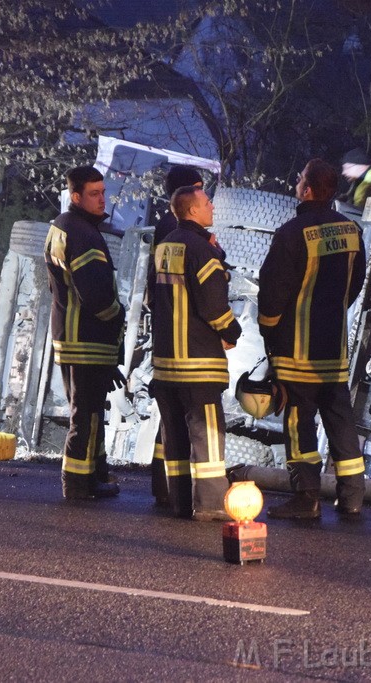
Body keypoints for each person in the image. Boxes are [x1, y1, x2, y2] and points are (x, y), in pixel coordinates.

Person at [258, 158, 367, 519]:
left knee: (298, 423)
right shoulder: (352, 231)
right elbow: (354, 287)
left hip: (296, 351)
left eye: (300, 178)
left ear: (307, 189)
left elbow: (273, 293)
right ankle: (352, 498)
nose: (296, 183)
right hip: (333, 351)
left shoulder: (291, 233)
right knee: (341, 421)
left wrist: (269, 332)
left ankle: (306, 498)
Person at [150, 186, 242, 520]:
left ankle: (178, 502)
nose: (212, 207)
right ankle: (212, 505)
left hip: (165, 366)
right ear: (191, 211)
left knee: (174, 437)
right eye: (206, 203)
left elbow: (152, 298)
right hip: (199, 364)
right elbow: (215, 307)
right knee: (208, 437)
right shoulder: (202, 250)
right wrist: (232, 332)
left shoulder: (164, 247)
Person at [45, 166, 125, 500]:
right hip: (87, 339)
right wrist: (117, 317)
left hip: (74, 337)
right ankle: (77, 484)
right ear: (75, 196)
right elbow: (95, 294)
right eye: (94, 193)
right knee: (86, 416)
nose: (101, 199)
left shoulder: (64, 227)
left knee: (90, 413)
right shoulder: (81, 233)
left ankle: (92, 477)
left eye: (103, 192)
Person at [145, 165, 206, 505]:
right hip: (186, 338)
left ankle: (163, 484)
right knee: (179, 417)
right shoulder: (182, 231)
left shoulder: (164, 228)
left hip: (168, 335)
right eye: (199, 190)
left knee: (167, 417)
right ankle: (174, 488)